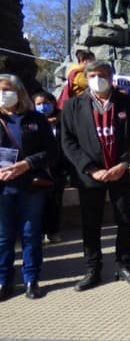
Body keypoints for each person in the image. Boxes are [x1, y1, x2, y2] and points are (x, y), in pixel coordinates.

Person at [61, 60, 130, 291]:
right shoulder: (72, 106)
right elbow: (68, 142)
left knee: (125, 221)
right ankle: (92, 269)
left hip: (121, 173)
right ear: (86, 78)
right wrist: (90, 168)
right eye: (92, 75)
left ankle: (124, 265)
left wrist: (124, 164)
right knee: (91, 224)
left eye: (102, 75)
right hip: (91, 176)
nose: (97, 79)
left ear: (111, 78)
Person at [0, 75, 57, 300]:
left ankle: (31, 279)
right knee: (3, 237)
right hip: (3, 188)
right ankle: (4, 280)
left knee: (30, 234)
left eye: (7, 89)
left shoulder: (35, 119)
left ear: (19, 91)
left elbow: (52, 152)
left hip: (31, 185)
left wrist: (27, 164)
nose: (3, 94)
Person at [31, 91, 66, 244]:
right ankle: (38, 231)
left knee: (55, 201)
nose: (42, 107)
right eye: (38, 104)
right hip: (37, 168)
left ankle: (53, 231)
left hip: (58, 168)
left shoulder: (63, 121)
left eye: (46, 103)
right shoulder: (31, 122)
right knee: (37, 202)